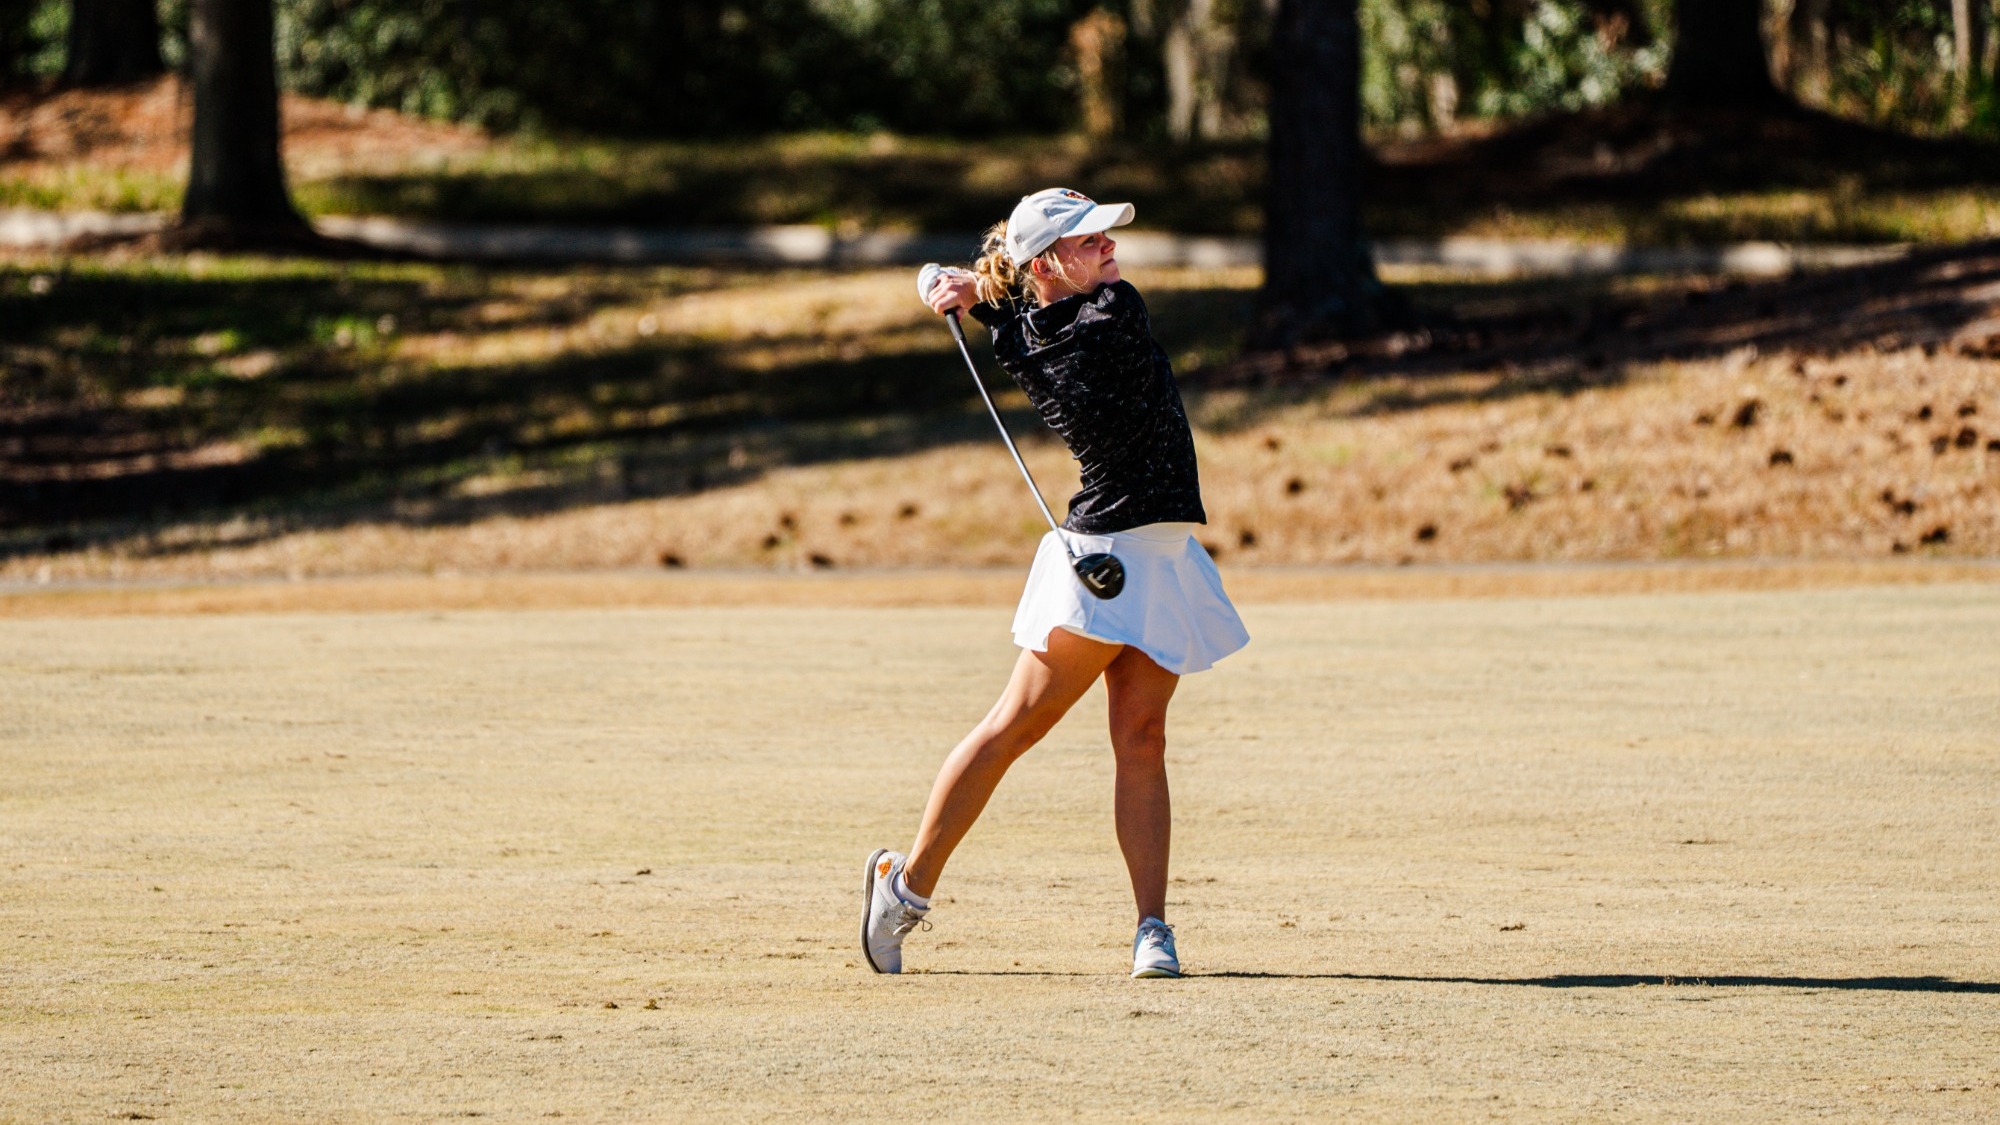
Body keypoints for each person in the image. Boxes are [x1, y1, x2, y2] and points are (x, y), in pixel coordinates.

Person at [861, 188, 1250, 979]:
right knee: (1017, 728)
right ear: (1048, 263)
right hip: (1105, 556)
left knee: (1143, 738)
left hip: (1164, 550)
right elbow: (1034, 313)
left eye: (1105, 233)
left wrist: (963, 285)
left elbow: (1009, 300)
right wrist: (976, 290)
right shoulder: (1104, 318)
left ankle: (1152, 928)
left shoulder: (1044, 317)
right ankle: (903, 887)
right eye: (1088, 238)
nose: (1109, 246)